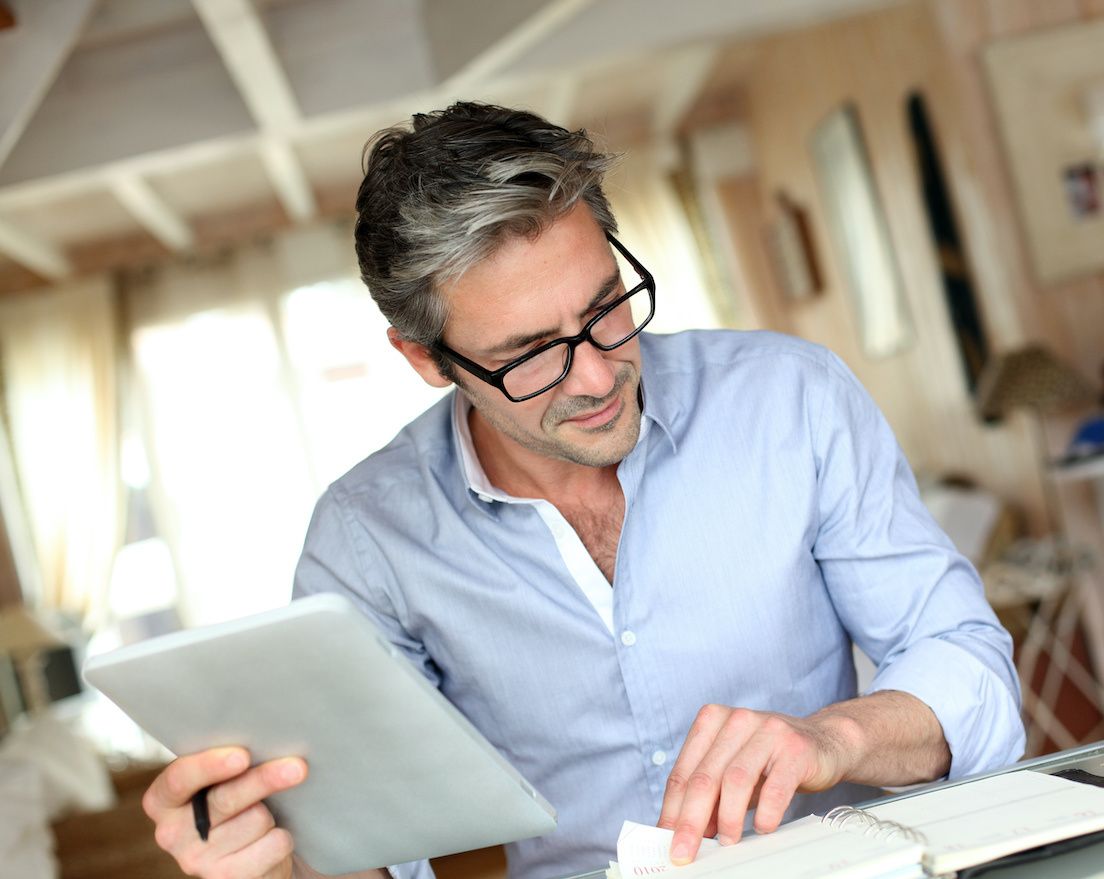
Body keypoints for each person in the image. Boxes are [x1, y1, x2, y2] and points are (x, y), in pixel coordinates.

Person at [141, 102, 1025, 879]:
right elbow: (379, 844)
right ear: (423, 359)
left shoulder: (792, 398)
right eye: (529, 354)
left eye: (606, 305)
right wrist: (286, 862)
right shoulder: (367, 538)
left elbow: (963, 658)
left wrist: (836, 737)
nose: (600, 375)